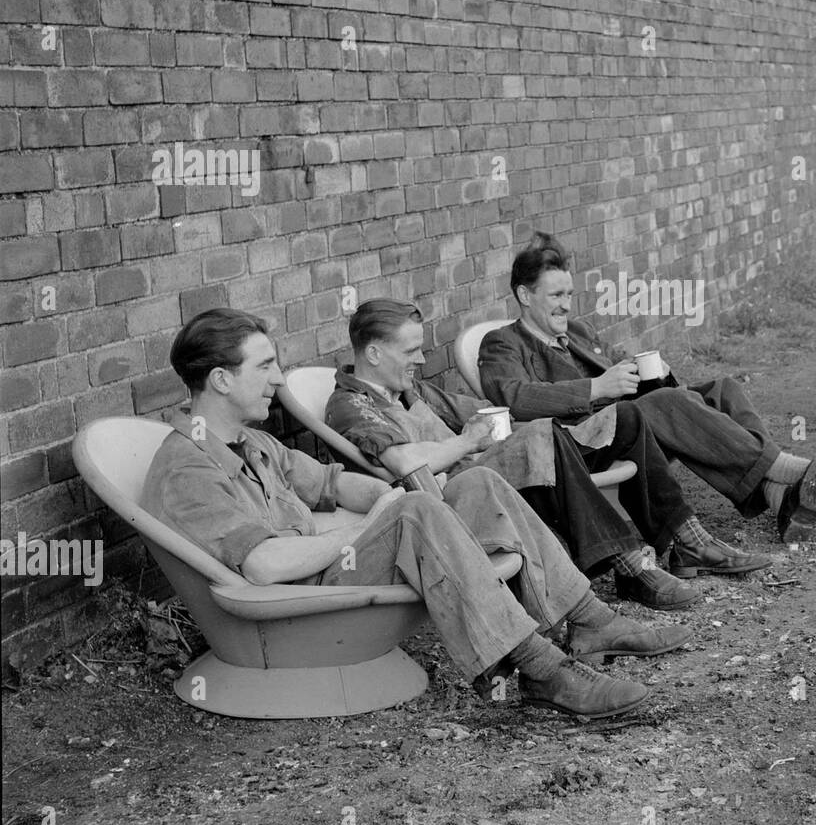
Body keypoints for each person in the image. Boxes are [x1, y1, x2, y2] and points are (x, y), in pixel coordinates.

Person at [141, 309, 688, 722]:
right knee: (417, 510)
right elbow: (262, 565)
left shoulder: (253, 442)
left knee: (475, 482)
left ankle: (588, 619)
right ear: (220, 379)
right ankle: (542, 672)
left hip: (326, 566)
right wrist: (375, 523)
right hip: (291, 600)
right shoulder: (187, 469)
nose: (279, 380)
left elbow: (331, 482)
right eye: (264, 367)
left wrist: (381, 494)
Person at [325, 298, 753, 609]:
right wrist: (470, 440)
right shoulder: (351, 405)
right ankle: (629, 567)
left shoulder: (408, 388)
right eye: (410, 351)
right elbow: (402, 463)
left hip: (484, 466)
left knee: (626, 418)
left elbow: (476, 411)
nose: (421, 358)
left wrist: (552, 411)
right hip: (455, 494)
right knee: (540, 437)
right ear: (374, 353)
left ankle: (687, 539)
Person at [478, 233, 816, 548]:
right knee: (665, 404)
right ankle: (793, 471)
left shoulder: (578, 333)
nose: (566, 306)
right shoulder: (502, 344)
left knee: (721, 388)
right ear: (525, 296)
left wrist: (654, 374)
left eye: (569, 295)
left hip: (634, 429)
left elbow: (625, 372)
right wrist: (596, 387)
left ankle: (778, 496)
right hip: (583, 446)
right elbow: (514, 398)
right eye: (556, 296)